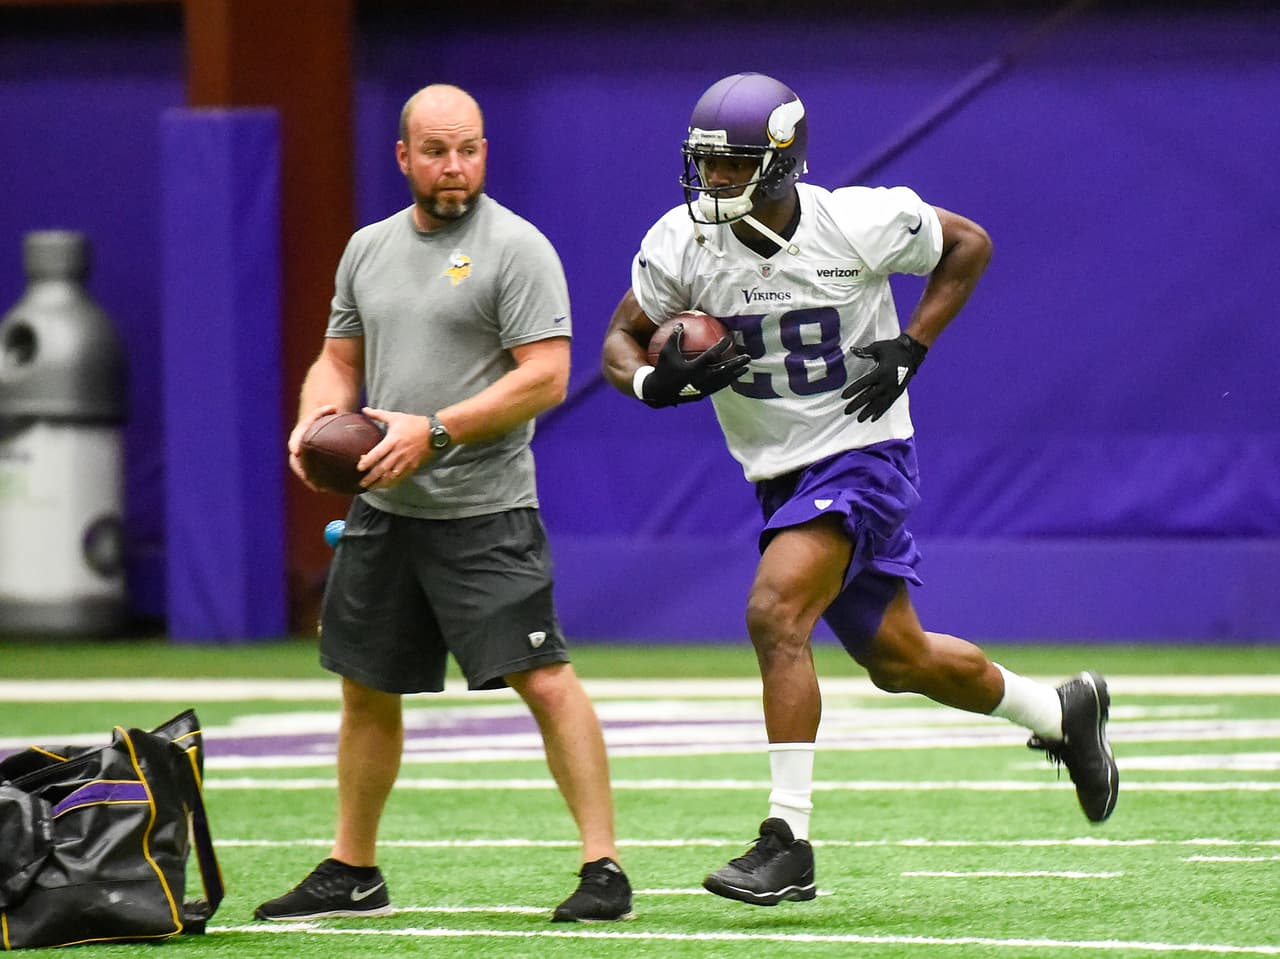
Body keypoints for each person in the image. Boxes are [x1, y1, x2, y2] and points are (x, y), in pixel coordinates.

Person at [600, 72, 1118, 907]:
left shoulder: (856, 221)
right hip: (778, 472)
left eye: (732, 165)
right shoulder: (683, 244)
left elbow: (969, 243)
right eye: (708, 165)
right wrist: (650, 385)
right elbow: (621, 338)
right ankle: (1060, 712)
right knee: (898, 660)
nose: (716, 182)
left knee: (775, 610)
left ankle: (787, 839)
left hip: (863, 453)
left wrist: (911, 345)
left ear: (780, 162)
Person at [254, 84, 633, 924]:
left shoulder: (517, 248)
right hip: (385, 513)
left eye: (467, 149)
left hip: (484, 508)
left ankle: (603, 865)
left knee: (544, 678)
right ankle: (354, 869)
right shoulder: (369, 249)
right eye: (435, 151)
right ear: (404, 156)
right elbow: (338, 358)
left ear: (485, 150)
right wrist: (316, 416)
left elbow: (546, 376)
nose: (453, 166)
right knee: (364, 686)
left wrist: (436, 429)